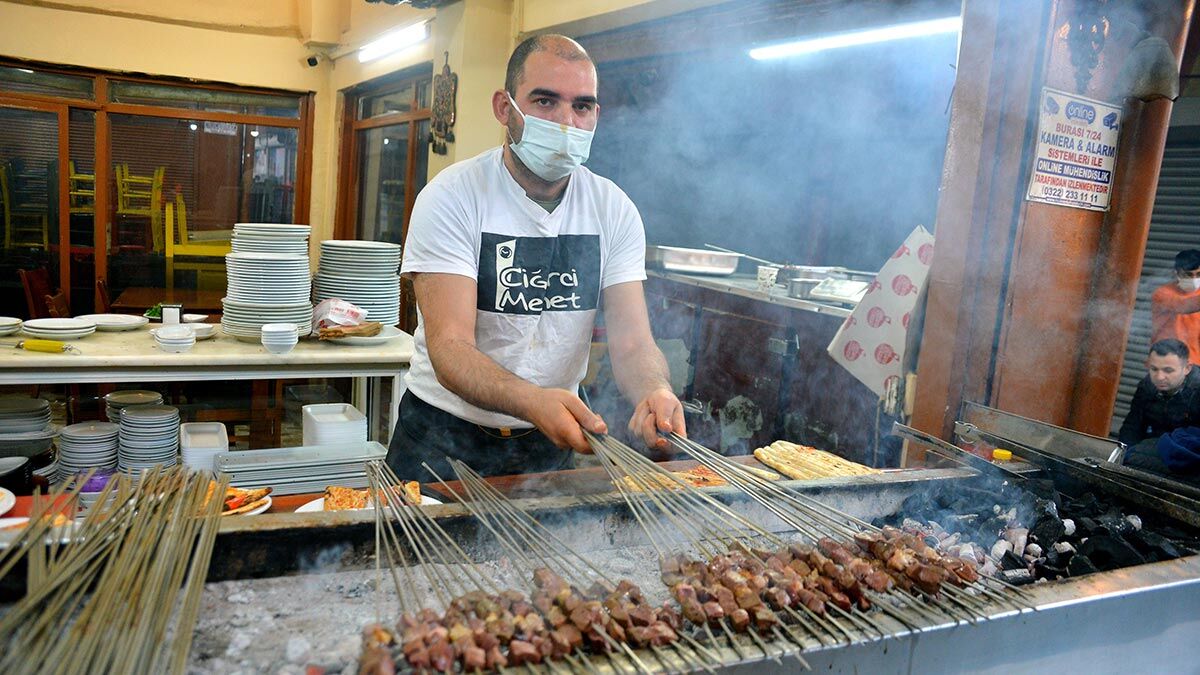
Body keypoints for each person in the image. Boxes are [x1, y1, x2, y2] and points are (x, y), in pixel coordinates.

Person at [387, 35, 685, 483]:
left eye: (582, 106)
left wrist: (654, 389)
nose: (566, 121)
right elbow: (451, 347)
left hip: (548, 444)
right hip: (442, 437)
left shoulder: (613, 209)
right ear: (505, 108)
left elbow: (633, 344)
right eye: (546, 101)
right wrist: (532, 398)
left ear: (596, 116)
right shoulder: (453, 197)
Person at [1118, 339, 1200, 477]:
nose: (1160, 377)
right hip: (1156, 447)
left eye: (1168, 370)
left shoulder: (1197, 391)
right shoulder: (1146, 386)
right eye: (1154, 369)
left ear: (1187, 368)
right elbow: (1132, 426)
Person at [1150, 249, 1200, 366]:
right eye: (1188, 275)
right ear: (1176, 273)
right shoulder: (1162, 294)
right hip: (1166, 362)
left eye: (1198, 274)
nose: (1194, 279)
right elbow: (1183, 305)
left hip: (1194, 362)